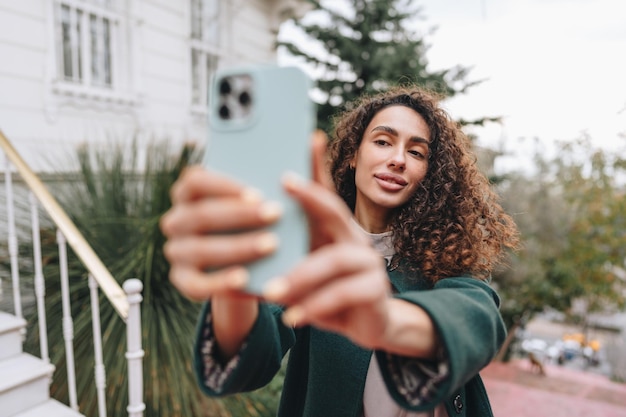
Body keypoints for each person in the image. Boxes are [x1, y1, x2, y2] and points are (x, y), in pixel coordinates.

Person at [160, 86, 520, 417]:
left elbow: (478, 319)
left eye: (415, 152)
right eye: (383, 142)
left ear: (428, 173)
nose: (398, 159)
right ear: (352, 155)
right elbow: (251, 353)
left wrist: (384, 319)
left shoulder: (449, 253)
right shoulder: (310, 251)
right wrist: (232, 280)